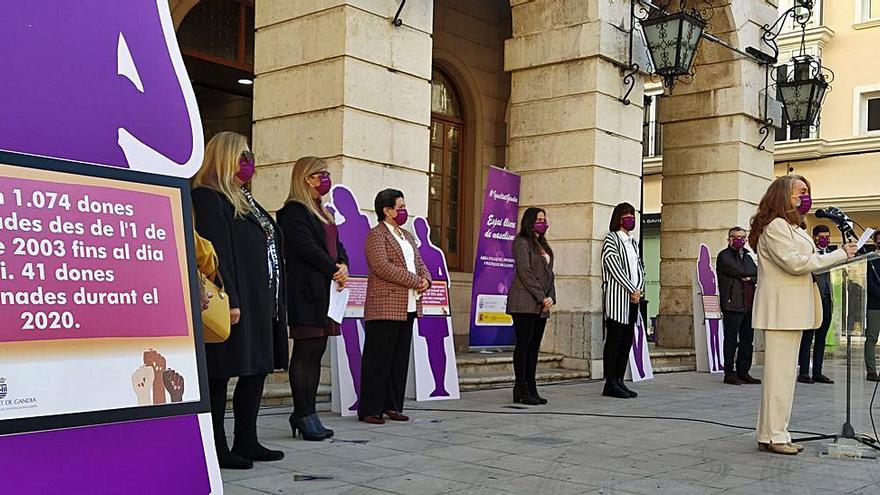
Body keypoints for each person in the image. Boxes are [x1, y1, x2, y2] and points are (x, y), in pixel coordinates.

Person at [192, 132, 288, 469]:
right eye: (243, 155)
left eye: (251, 155)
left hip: (263, 301)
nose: (249, 162)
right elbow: (215, 255)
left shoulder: (246, 199)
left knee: (257, 369)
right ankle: (217, 447)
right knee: (221, 374)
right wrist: (229, 296)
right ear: (225, 157)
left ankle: (247, 439)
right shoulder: (207, 197)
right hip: (235, 301)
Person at [750, 175, 855, 455]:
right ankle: (775, 435)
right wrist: (838, 255)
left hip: (792, 309)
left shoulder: (793, 227)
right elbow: (796, 264)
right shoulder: (776, 227)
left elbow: (804, 261)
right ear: (784, 195)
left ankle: (770, 432)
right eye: (800, 192)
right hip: (782, 310)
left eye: (807, 191)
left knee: (783, 375)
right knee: (779, 377)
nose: (805, 197)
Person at [277, 157, 349, 441]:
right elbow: (307, 248)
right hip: (306, 292)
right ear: (307, 178)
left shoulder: (322, 210)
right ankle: (302, 413)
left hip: (327, 291)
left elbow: (336, 246)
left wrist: (343, 264)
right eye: (322, 174)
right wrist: (334, 269)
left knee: (317, 351)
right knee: (305, 352)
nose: (326, 179)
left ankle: (309, 413)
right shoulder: (293, 211)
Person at [358, 189, 431, 424]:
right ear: (386, 210)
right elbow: (382, 267)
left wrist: (426, 280)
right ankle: (370, 409)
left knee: (399, 358)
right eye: (399, 207)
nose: (403, 211)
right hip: (385, 306)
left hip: (408, 305)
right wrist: (415, 281)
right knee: (378, 359)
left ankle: (392, 405)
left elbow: (419, 263)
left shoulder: (407, 236)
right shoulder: (376, 235)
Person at [507, 207, 556, 405]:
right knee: (524, 346)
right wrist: (541, 296)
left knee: (534, 348)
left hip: (541, 304)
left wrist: (551, 296)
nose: (542, 222)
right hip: (524, 302)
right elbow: (525, 272)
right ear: (529, 221)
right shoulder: (521, 242)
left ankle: (531, 386)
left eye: (544, 219)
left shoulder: (543, 244)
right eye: (539, 219)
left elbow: (549, 274)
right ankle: (521, 387)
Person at [601, 202, 645, 399]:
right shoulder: (611, 239)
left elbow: (640, 268)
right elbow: (613, 266)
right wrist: (631, 288)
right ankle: (610, 382)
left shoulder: (633, 242)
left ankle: (619, 379)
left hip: (634, 300)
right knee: (614, 341)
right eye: (626, 214)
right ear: (618, 217)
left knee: (627, 340)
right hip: (618, 299)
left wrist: (640, 289)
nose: (630, 218)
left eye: (632, 214)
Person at [716, 227, 760, 385]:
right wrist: (746, 275)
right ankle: (729, 373)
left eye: (743, 237)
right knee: (731, 340)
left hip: (748, 305)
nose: (740, 240)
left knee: (747, 340)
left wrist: (749, 277)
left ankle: (744, 372)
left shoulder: (748, 257)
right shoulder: (724, 256)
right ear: (729, 239)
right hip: (732, 304)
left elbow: (756, 273)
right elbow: (738, 270)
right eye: (736, 237)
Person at [798, 225, 835, 384]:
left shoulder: (832, 254)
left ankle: (818, 371)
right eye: (821, 237)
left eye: (827, 236)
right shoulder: (809, 254)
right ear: (814, 238)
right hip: (812, 298)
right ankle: (804, 371)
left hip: (827, 298)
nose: (825, 240)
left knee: (821, 337)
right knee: (808, 337)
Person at [866, 230, 880, 382]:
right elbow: (869, 282)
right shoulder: (871, 259)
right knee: (871, 338)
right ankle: (871, 371)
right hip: (874, 304)